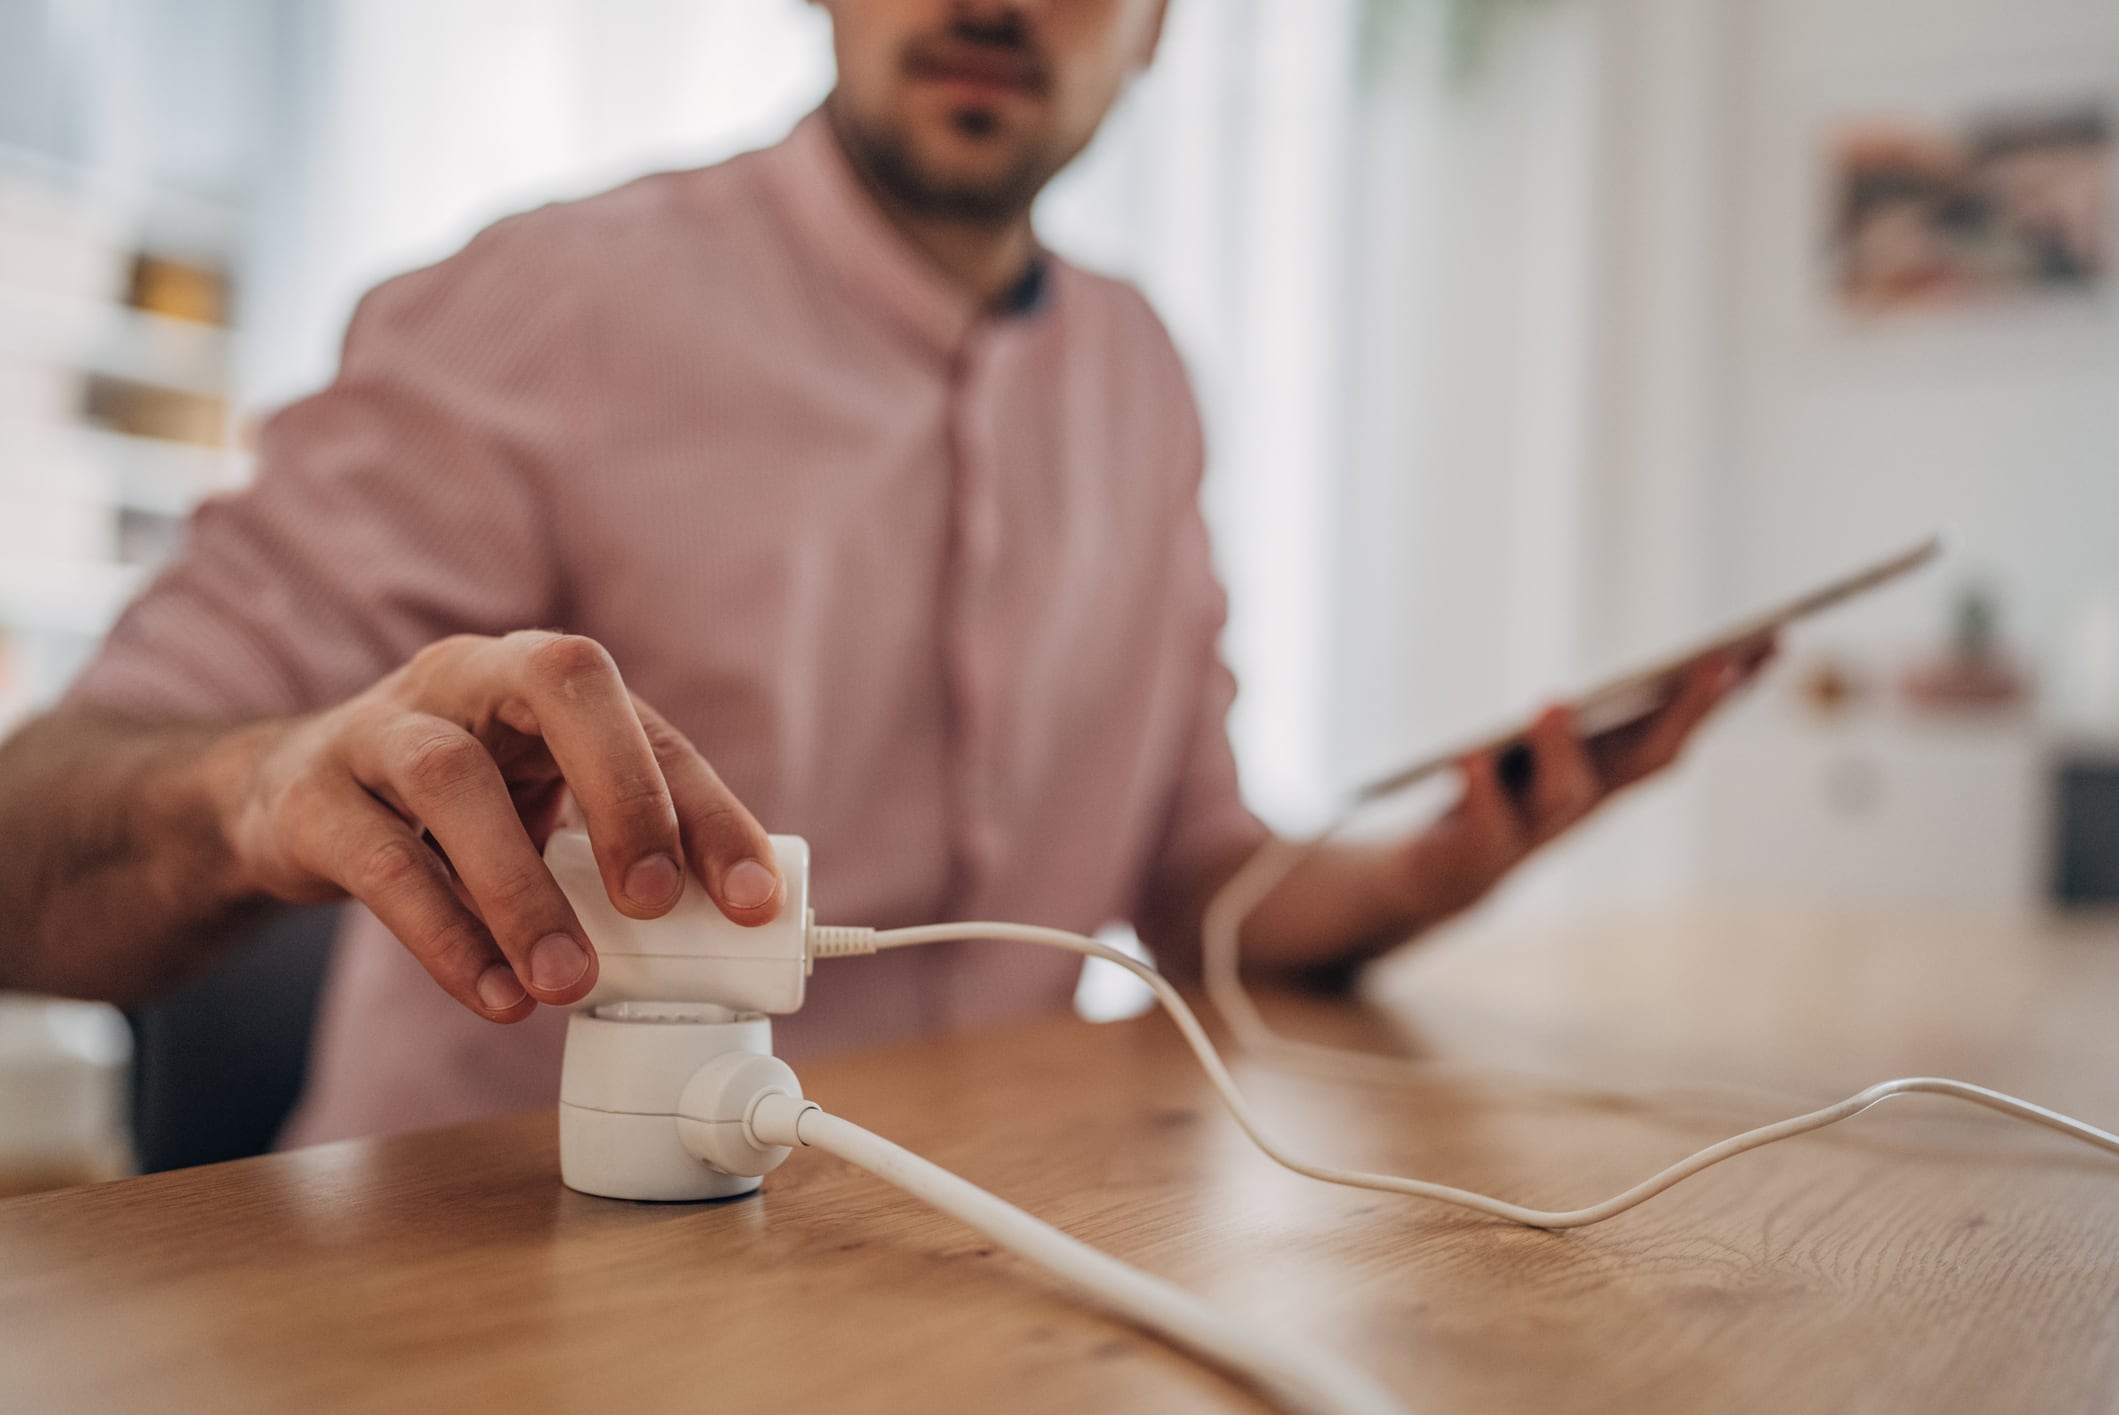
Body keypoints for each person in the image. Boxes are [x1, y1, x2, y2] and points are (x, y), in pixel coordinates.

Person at [0, 0, 1754, 1145]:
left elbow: (1197, 881)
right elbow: (26, 851)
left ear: (1156, 32)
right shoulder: (541, 312)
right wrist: (254, 787)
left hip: (984, 1282)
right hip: (496, 1297)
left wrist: (1449, 856)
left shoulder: (1145, 379)